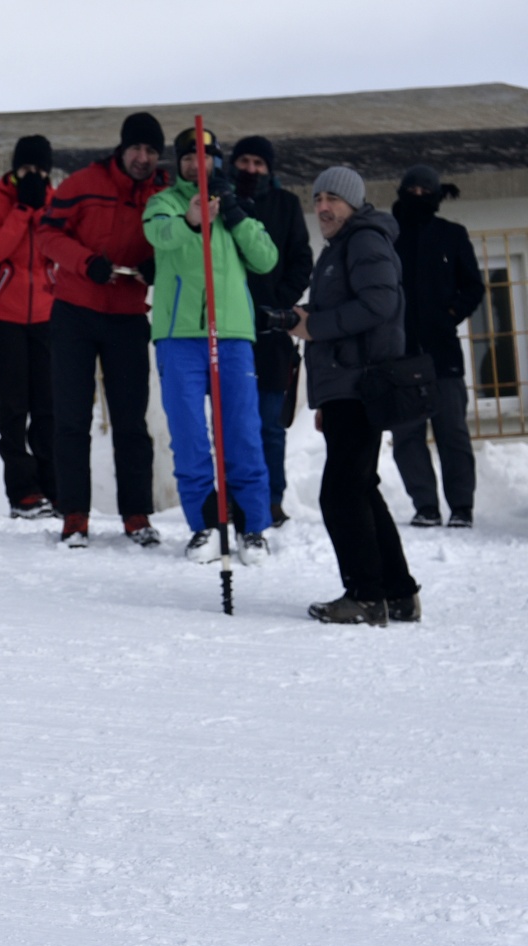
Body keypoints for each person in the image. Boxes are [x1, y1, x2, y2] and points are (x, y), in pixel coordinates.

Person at [279, 167, 421, 625]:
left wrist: (314, 326)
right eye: (318, 198)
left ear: (354, 203)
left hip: (362, 383)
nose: (323, 207)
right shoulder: (341, 247)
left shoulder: (364, 240)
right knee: (360, 488)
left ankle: (365, 596)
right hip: (346, 387)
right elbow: (349, 307)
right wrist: (305, 316)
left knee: (341, 493)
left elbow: (379, 305)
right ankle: (397, 593)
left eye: (333, 199)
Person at [143, 128, 278, 564]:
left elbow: (265, 258)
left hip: (233, 333)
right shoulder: (164, 203)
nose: (196, 165)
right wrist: (191, 219)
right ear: (179, 164)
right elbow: (159, 237)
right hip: (179, 336)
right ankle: (205, 525)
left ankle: (252, 528)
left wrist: (234, 213)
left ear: (217, 162)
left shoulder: (237, 206)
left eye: (205, 157)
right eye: (188, 157)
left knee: (242, 432)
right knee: (188, 436)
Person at [42, 112, 169, 548]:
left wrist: (158, 264)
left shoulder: (163, 192)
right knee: (72, 419)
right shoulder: (83, 183)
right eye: (136, 148)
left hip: (129, 315)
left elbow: (180, 243)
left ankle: (136, 514)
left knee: (131, 420)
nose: (143, 157)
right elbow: (47, 235)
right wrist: (85, 262)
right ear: (122, 148)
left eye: (151, 150)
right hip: (75, 311)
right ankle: (74, 514)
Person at [389, 164, 485, 529]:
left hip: (442, 353)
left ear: (437, 195)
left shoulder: (452, 235)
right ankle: (425, 505)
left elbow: (473, 287)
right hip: (399, 353)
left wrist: (449, 315)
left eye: (424, 191)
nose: (417, 196)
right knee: (407, 435)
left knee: (453, 433)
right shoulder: (389, 236)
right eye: (411, 190)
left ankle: (461, 506)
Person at [231, 136, 315, 527]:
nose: (250, 169)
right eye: (244, 161)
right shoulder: (220, 205)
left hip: (271, 336)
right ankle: (235, 500)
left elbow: (301, 258)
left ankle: (271, 499)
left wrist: (278, 305)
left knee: (269, 425)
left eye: (258, 163)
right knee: (233, 424)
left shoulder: (286, 205)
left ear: (269, 168)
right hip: (229, 333)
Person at [0, 134, 59, 519]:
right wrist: (23, 209)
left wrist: (40, 208)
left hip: (46, 317)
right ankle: (22, 493)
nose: (34, 175)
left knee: (48, 405)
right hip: (3, 318)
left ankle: (52, 488)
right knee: (14, 407)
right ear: (15, 167)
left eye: (41, 170)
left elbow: (56, 250)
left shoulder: (55, 201)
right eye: (28, 168)